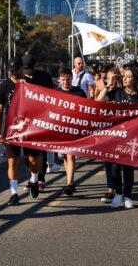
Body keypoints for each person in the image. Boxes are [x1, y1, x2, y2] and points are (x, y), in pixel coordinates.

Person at [97, 67, 138, 209]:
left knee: (127, 168)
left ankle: (128, 195)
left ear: (135, 79)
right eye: (124, 76)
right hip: (116, 135)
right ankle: (118, 194)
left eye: (128, 76)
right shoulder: (117, 92)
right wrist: (108, 85)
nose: (125, 78)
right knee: (114, 167)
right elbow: (99, 100)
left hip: (132, 136)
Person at [0, 56, 42, 205]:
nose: (14, 72)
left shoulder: (32, 84)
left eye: (16, 69)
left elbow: (40, 106)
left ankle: (34, 180)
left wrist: (26, 86)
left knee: (33, 160)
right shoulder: (4, 86)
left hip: (29, 128)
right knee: (12, 162)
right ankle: (14, 193)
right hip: (11, 130)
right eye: (12, 70)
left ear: (22, 68)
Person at [21, 54, 57, 191]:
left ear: (35, 66)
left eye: (30, 69)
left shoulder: (44, 77)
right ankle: (32, 178)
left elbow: (53, 96)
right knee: (28, 153)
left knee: (40, 150)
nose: (28, 73)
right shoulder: (20, 78)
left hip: (42, 119)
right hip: (25, 121)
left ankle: (40, 178)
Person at [56, 67, 87, 196]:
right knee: (65, 156)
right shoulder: (56, 92)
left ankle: (70, 183)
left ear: (71, 78)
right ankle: (70, 181)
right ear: (59, 80)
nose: (65, 82)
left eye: (68, 79)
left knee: (71, 155)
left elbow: (87, 109)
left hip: (74, 129)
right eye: (63, 80)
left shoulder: (79, 92)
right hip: (61, 130)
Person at [98, 67, 121, 203]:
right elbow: (99, 100)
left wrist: (120, 83)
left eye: (116, 77)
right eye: (111, 77)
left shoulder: (124, 92)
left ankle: (122, 189)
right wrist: (108, 86)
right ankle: (111, 189)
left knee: (122, 163)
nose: (113, 80)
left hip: (125, 131)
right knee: (109, 161)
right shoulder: (109, 93)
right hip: (109, 131)